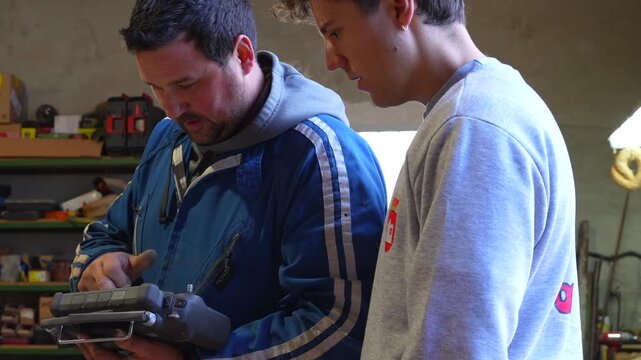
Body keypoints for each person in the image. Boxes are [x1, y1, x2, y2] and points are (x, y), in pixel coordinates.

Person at [70, 0, 387, 358]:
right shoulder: (166, 140)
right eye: (156, 88)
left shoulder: (321, 158)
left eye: (186, 84)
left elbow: (340, 326)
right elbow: (107, 233)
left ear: (243, 54)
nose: (171, 109)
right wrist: (99, 268)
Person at [275, 0, 583, 358]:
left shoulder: (474, 129)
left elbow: (457, 350)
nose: (332, 59)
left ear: (398, 8)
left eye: (335, 32)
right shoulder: (477, 113)